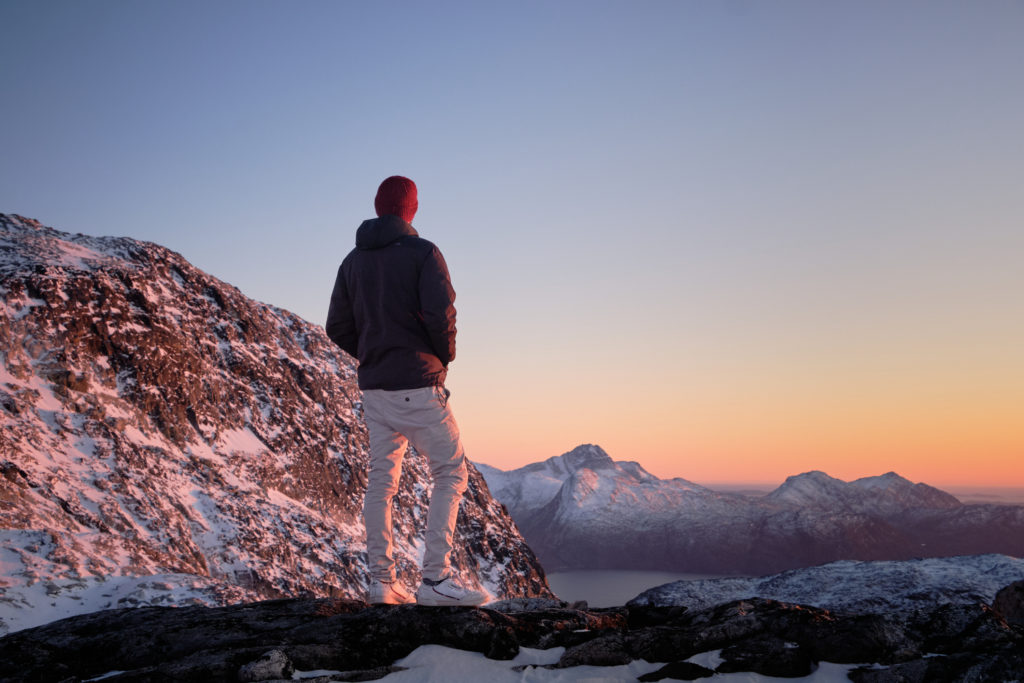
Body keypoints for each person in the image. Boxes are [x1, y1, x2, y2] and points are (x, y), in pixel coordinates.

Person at [326, 176, 488, 607]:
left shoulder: (351, 261)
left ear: (378, 207)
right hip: (418, 384)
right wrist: (441, 357)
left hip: (374, 389)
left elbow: (337, 327)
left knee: (382, 482)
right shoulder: (424, 254)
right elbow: (442, 315)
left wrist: (373, 353)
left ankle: (382, 582)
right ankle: (435, 581)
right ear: (411, 209)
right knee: (450, 473)